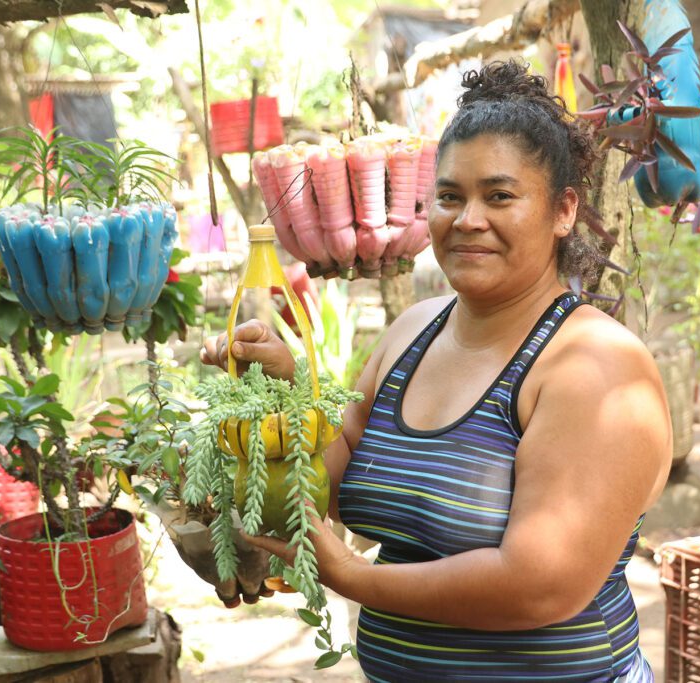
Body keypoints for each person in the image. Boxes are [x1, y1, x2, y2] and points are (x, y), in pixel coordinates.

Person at [201, 61, 672, 682]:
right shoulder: (413, 332)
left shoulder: (596, 369)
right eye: (449, 197)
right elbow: (336, 471)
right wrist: (283, 390)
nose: (467, 219)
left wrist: (352, 575)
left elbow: (538, 586)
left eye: (499, 196)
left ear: (563, 210)